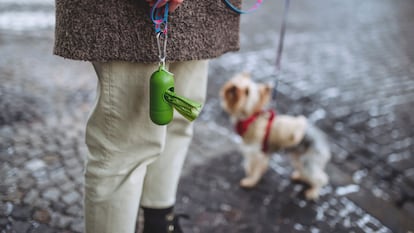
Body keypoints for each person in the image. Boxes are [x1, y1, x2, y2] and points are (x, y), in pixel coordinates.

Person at [54, 0, 241, 232]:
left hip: (201, 12)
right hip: (128, 14)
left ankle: (160, 223)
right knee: (125, 143)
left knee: (178, 121)